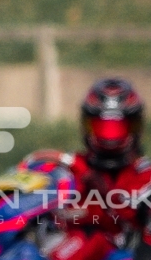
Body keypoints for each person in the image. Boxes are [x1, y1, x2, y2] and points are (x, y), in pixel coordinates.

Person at [55, 77, 151, 243]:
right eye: (102, 127)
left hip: (122, 255)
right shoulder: (69, 166)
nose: (110, 139)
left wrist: (95, 182)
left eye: (118, 128)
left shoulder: (145, 175)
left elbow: (127, 216)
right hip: (56, 249)